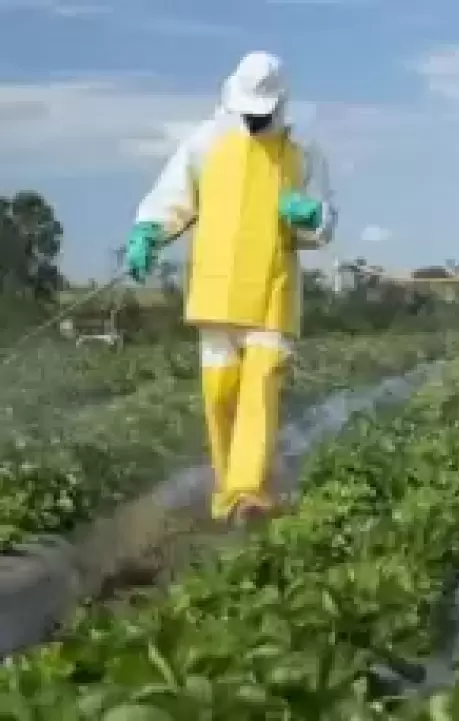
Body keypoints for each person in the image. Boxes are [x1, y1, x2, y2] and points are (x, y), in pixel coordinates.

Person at [127, 51, 337, 525]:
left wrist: (311, 216)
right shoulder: (206, 142)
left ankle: (248, 492)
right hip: (216, 287)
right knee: (220, 392)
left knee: (260, 384)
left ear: (280, 104)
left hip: (271, 287)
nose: (254, 119)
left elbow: (323, 223)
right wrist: (148, 233)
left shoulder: (303, 152)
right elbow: (172, 197)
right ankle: (228, 494)